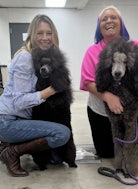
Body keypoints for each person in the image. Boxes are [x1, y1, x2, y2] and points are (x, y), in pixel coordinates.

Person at [80, 5, 138, 158]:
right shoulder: (92, 51)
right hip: (101, 111)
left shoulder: (136, 47)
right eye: (104, 19)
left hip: (131, 112)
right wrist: (108, 97)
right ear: (99, 27)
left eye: (113, 17)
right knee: (107, 154)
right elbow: (88, 81)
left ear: (121, 23)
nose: (109, 21)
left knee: (132, 153)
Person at [0, 14, 71, 177]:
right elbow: (18, 102)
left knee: (55, 159)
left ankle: (6, 143)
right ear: (32, 34)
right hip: (7, 120)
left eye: (49, 33)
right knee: (62, 133)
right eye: (40, 33)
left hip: (19, 119)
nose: (45, 38)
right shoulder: (26, 57)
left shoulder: (41, 57)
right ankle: (11, 151)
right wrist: (52, 90)